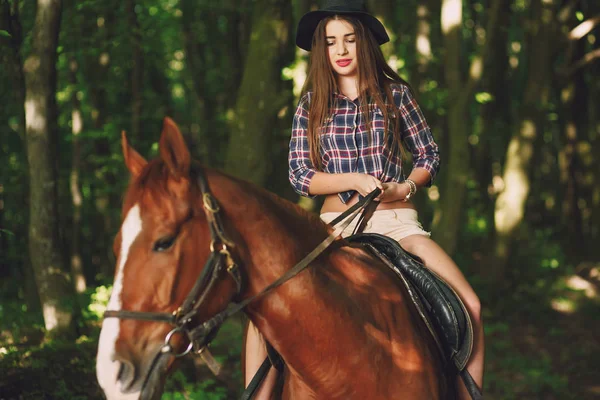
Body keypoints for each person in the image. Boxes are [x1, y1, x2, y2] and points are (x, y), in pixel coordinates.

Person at [245, 1, 485, 399]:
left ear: (365, 44)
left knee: (471, 305)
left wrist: (402, 188)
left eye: (349, 40)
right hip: (333, 230)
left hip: (398, 225)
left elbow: (429, 155)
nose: (340, 50)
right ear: (321, 50)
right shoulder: (311, 104)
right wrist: (353, 179)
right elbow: (300, 175)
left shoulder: (396, 95)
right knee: (263, 313)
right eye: (330, 42)